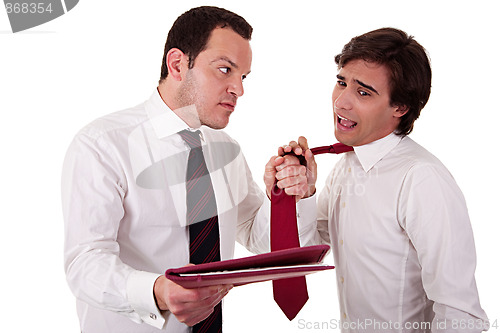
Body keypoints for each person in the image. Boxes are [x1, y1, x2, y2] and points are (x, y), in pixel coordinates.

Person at [62, 6, 313, 332]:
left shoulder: (227, 150)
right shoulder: (102, 144)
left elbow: (255, 235)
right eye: (225, 70)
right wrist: (157, 291)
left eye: (243, 77)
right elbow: (85, 263)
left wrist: (289, 196)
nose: (239, 89)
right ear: (178, 64)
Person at [281, 28, 489, 332]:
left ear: (400, 108)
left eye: (363, 92)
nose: (341, 102)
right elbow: (311, 251)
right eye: (341, 83)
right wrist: (306, 193)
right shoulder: (345, 167)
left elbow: (460, 314)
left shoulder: (420, 179)